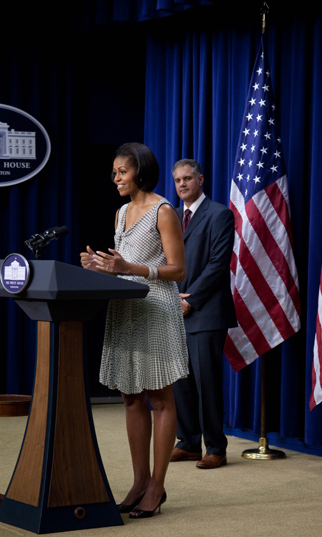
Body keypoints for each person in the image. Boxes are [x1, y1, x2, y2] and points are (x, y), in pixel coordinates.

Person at [80, 143, 189, 518]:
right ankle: (139, 481)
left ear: (139, 171)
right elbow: (123, 265)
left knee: (160, 399)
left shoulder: (164, 211)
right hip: (126, 309)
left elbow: (178, 270)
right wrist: (101, 265)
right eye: (114, 173)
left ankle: (157, 487)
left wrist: (132, 268)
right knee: (130, 397)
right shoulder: (121, 211)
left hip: (156, 308)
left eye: (121, 172)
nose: (115, 179)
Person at [170, 158, 237, 469]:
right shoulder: (171, 217)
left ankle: (215, 448)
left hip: (206, 312)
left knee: (206, 382)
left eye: (187, 179)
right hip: (174, 310)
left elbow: (218, 265)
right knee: (181, 381)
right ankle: (187, 442)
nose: (182, 184)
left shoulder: (219, 214)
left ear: (201, 180)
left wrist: (191, 299)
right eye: (178, 180)